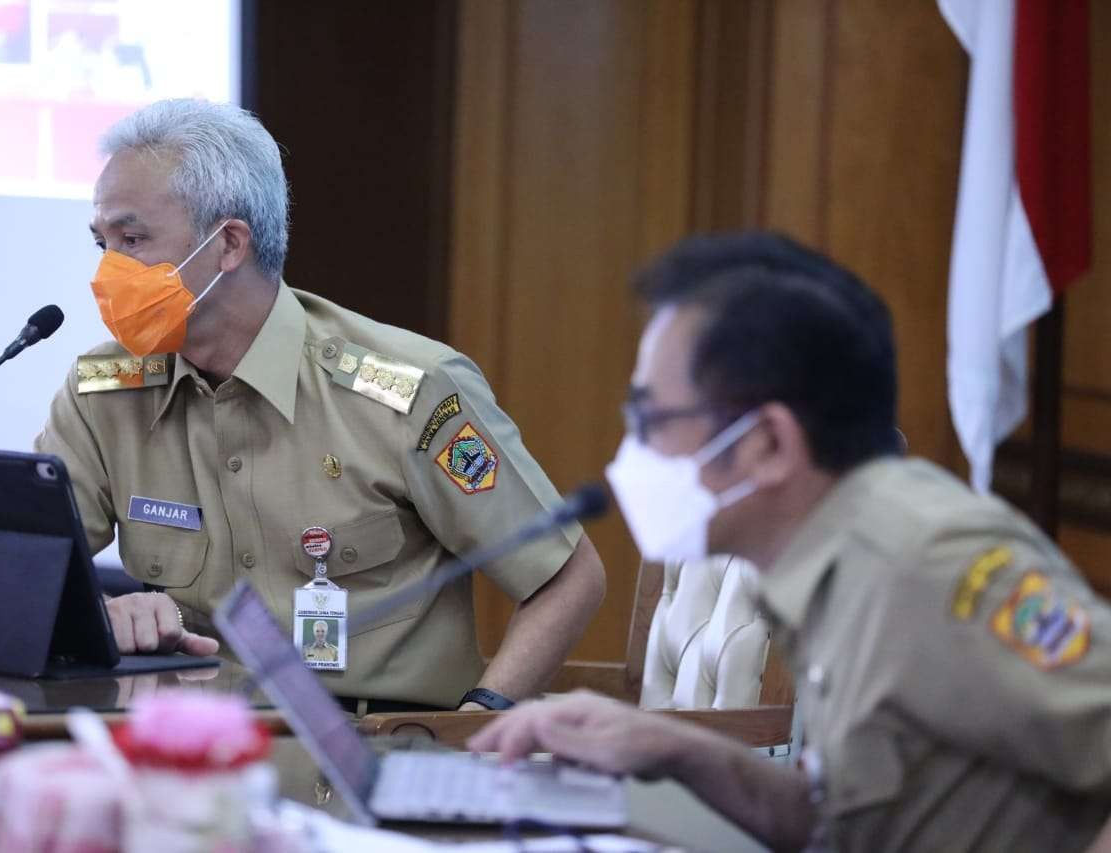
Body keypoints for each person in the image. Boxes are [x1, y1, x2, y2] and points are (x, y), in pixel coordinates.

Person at [470, 232, 1111, 851]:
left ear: (769, 444)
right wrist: (669, 745)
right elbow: (829, 825)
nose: (633, 451)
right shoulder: (818, 564)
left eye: (653, 420)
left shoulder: (933, 561)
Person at [35, 99, 605, 711]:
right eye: (103, 244)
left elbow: (566, 577)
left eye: (133, 239)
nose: (108, 273)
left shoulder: (408, 391)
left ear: (228, 244)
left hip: (374, 752)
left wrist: (478, 725)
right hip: (192, 750)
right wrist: (102, 615)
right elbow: (27, 568)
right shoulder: (105, 392)